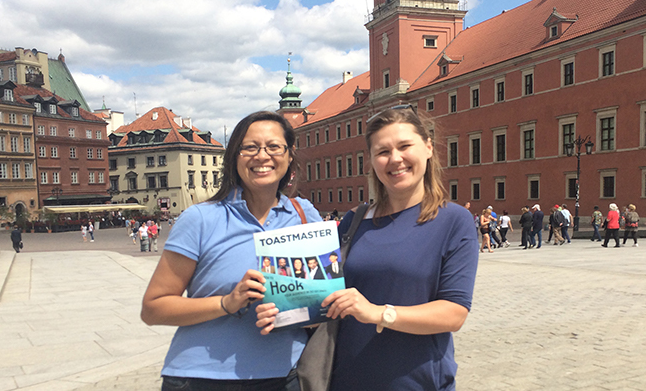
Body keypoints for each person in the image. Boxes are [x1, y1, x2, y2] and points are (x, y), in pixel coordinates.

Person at [258, 106, 478, 390]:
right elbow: (323, 300)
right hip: (344, 379)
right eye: (383, 151)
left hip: (416, 382)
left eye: (404, 146)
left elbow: (454, 313)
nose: (395, 159)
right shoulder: (354, 221)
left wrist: (377, 313)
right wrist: (285, 310)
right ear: (372, 161)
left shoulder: (453, 220)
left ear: (427, 147)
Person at [141, 111, 320, 390]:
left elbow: (317, 297)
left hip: (285, 375)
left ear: (289, 156)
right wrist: (227, 303)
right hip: (202, 378)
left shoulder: (304, 213)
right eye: (250, 147)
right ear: (234, 157)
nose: (262, 156)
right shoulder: (201, 218)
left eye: (274, 147)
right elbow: (153, 309)